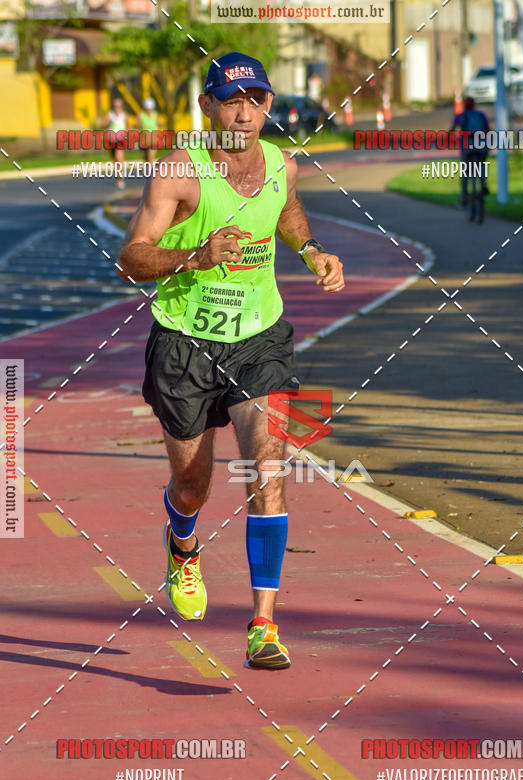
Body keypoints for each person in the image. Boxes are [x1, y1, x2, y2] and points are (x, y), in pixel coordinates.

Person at [117, 52, 344, 670]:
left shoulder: (282, 166)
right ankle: (182, 543)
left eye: (255, 100)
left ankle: (264, 624)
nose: (242, 113)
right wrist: (195, 256)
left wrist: (312, 250)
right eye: (230, 100)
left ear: (268, 105)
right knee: (193, 485)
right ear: (208, 106)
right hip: (184, 345)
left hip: (258, 342)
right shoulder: (178, 172)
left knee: (268, 473)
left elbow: (287, 213)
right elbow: (131, 257)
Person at [450, 96, 490, 206]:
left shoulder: (461, 116)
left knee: (465, 172)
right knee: (481, 165)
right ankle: (483, 184)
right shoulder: (481, 115)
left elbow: (453, 128)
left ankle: (463, 197)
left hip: (467, 146)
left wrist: (449, 136)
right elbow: (487, 129)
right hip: (481, 145)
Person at [103, 96, 127, 189]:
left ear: (121, 107)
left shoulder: (124, 115)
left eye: (119, 106)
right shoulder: (109, 115)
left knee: (119, 157)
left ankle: (120, 179)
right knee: (115, 160)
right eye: (115, 106)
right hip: (111, 140)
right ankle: (119, 174)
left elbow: (128, 126)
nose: (117, 108)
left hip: (121, 139)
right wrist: (107, 123)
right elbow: (102, 125)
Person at [137, 97, 159, 165]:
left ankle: (152, 174)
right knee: (146, 159)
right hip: (143, 141)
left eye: (150, 108)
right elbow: (135, 125)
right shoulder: (140, 114)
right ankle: (149, 173)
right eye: (147, 108)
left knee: (150, 158)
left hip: (153, 140)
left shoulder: (155, 114)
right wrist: (140, 126)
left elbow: (159, 125)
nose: (149, 110)